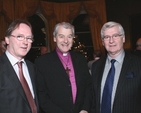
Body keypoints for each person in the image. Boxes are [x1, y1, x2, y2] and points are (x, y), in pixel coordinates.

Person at [35, 22, 92, 113]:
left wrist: (85, 108)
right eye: (61, 36)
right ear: (54, 38)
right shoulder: (42, 62)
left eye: (69, 36)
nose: (66, 41)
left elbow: (88, 86)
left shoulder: (80, 59)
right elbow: (42, 95)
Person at [91, 21, 141, 113]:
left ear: (123, 38)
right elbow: (93, 99)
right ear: (102, 42)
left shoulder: (138, 63)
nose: (111, 41)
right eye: (107, 37)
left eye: (115, 36)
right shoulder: (96, 66)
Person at [0, 19, 39, 113]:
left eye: (29, 38)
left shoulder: (32, 67)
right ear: (7, 39)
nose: (25, 42)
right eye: (20, 37)